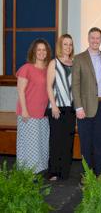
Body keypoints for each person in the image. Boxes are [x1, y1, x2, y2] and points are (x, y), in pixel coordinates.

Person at [72, 27, 101, 176]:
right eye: (92, 38)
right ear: (88, 39)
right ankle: (87, 175)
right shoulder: (79, 58)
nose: (95, 40)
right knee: (86, 143)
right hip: (85, 107)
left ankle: (100, 174)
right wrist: (78, 107)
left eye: (98, 38)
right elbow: (75, 85)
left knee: (100, 142)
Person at [16, 38, 52, 174]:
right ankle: (28, 173)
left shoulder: (48, 69)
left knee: (41, 144)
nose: (42, 52)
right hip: (28, 113)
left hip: (43, 114)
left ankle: (39, 171)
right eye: (39, 50)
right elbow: (20, 90)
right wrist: (24, 110)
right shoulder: (26, 68)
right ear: (34, 52)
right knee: (30, 145)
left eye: (44, 50)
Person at [46, 34, 76, 181]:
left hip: (71, 108)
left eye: (70, 44)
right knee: (56, 140)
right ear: (60, 46)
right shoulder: (54, 63)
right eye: (65, 44)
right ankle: (53, 172)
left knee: (68, 141)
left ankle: (64, 172)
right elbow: (49, 86)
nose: (68, 47)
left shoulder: (74, 63)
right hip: (57, 108)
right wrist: (54, 106)